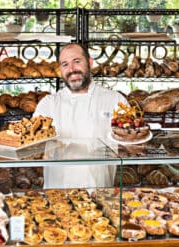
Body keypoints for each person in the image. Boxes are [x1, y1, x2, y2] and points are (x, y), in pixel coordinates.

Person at [33, 43, 128, 188]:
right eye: (65, 64)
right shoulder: (48, 105)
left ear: (90, 63)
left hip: (101, 191)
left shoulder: (115, 100)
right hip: (58, 195)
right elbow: (30, 144)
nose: (71, 70)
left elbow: (131, 144)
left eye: (77, 61)